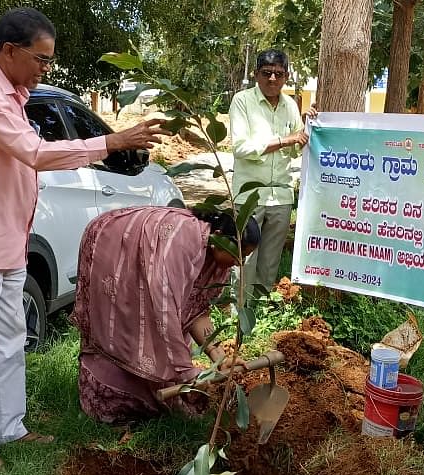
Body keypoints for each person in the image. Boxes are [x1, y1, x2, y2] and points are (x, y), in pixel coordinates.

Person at [0, 7, 168, 470]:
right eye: (40, 58)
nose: (46, 68)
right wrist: (111, 142)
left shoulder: (13, 93)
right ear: (8, 51)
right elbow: (34, 154)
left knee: (9, 339)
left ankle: (10, 428)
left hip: (8, 242)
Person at [72, 207, 260, 424]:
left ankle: (151, 389)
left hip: (151, 260)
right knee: (125, 319)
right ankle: (112, 397)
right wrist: (187, 373)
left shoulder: (216, 259)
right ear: (218, 237)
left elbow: (196, 310)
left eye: (245, 256)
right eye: (238, 254)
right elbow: (164, 312)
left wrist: (220, 359)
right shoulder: (180, 245)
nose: (240, 263)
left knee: (150, 327)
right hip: (112, 245)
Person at [229, 49, 314, 298]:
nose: (273, 79)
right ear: (257, 75)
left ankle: (261, 313)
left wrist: (309, 124)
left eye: (279, 73)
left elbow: (297, 147)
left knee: (270, 262)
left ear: (286, 76)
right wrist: (284, 140)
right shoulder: (242, 101)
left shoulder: (290, 106)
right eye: (267, 73)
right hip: (249, 197)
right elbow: (241, 148)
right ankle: (238, 316)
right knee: (245, 260)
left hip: (281, 197)